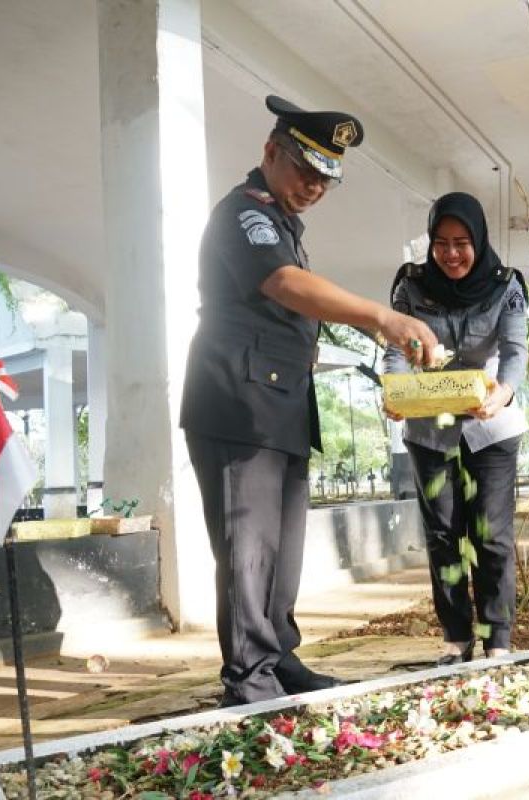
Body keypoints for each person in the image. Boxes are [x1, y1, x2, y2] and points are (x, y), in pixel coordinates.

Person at [180, 95, 438, 707]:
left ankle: (278, 657)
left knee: (282, 546)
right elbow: (285, 285)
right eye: (306, 171)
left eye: (326, 179)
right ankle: (248, 677)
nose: (315, 187)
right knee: (249, 546)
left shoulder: (285, 225)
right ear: (271, 152)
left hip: (280, 406)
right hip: (236, 406)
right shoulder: (245, 214)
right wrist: (381, 317)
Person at [384, 192, 529, 665]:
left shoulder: (505, 285)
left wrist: (503, 392)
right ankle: (456, 636)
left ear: (478, 241)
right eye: (441, 243)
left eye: (462, 242)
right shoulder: (411, 286)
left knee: (491, 534)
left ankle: (499, 639)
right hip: (431, 429)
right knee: (444, 534)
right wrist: (395, 392)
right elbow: (397, 348)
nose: (451, 254)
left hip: (492, 428)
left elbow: (515, 351)